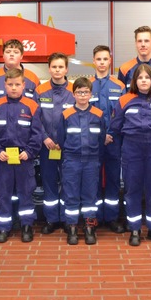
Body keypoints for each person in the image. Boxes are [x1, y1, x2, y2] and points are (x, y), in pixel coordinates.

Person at [110, 64, 151, 246]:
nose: (144, 81)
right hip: (131, 149)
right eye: (140, 78)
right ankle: (135, 229)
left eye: (147, 77)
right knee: (132, 190)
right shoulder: (124, 100)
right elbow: (116, 124)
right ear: (134, 81)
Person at [0, 39, 40, 229]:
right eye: (8, 51)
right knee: (3, 190)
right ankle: (4, 226)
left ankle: (26, 225)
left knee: (25, 190)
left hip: (24, 151)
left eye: (15, 51)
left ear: (22, 55)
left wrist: (30, 151)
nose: (12, 54)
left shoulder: (33, 79)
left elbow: (36, 120)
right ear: (3, 55)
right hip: (2, 150)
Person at [57, 77, 105, 245]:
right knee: (71, 194)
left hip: (92, 161)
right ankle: (71, 227)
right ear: (74, 93)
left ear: (91, 94)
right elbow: (61, 138)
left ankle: (89, 226)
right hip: (72, 160)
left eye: (85, 92)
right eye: (79, 92)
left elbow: (101, 138)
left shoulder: (98, 114)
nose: (82, 95)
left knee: (90, 195)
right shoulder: (66, 114)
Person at [36, 52, 75, 234]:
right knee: (49, 182)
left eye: (61, 66)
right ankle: (52, 219)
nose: (57, 70)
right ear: (49, 68)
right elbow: (35, 118)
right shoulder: (40, 91)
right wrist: (44, 138)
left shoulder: (75, 91)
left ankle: (68, 219)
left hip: (68, 148)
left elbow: (79, 118)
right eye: (54, 67)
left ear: (66, 69)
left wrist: (65, 141)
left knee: (68, 183)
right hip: (47, 147)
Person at [90, 45, 126, 233]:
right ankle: (94, 217)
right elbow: (84, 114)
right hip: (92, 142)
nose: (102, 62)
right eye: (99, 59)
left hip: (113, 141)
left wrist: (110, 133)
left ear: (110, 61)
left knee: (112, 179)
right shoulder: (86, 85)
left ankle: (112, 218)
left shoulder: (119, 86)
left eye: (105, 59)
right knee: (93, 179)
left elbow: (120, 114)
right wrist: (98, 135)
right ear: (93, 61)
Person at [117, 26, 151, 97]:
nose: (143, 44)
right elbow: (122, 100)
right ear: (135, 43)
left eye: (146, 41)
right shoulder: (124, 69)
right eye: (140, 41)